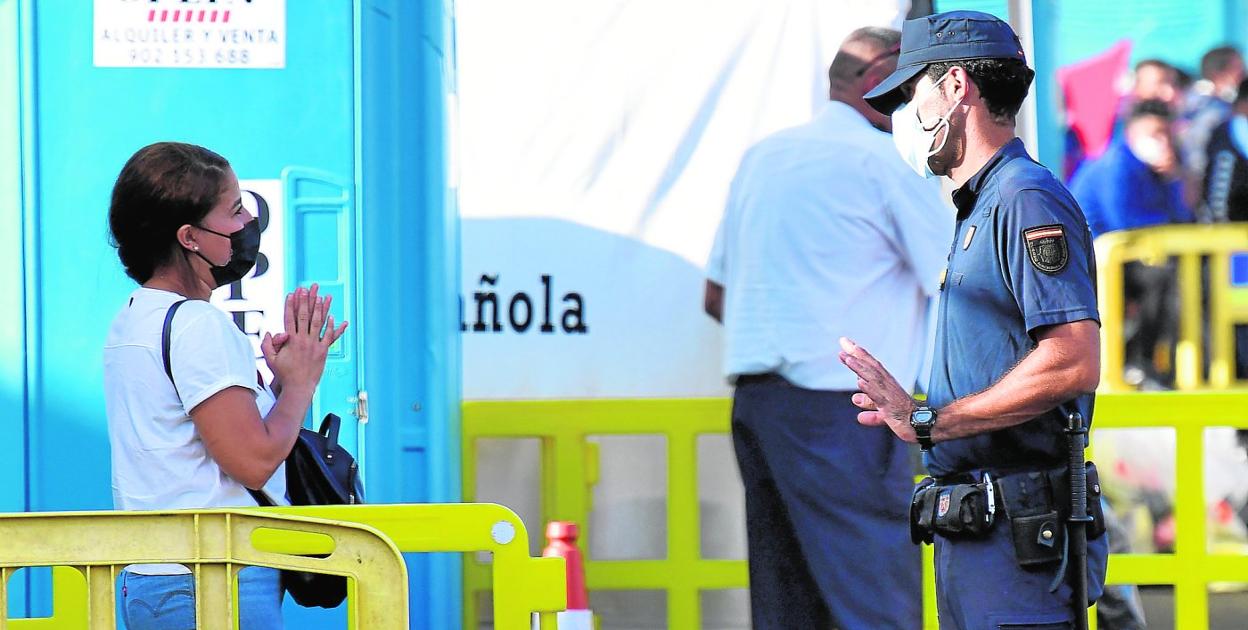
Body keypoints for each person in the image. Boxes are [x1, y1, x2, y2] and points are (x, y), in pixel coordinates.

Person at [845, 10, 1109, 628]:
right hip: (982, 537)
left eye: (911, 93)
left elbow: (1073, 360)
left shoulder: (1024, 198)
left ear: (956, 86)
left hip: (1016, 544)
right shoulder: (985, 202)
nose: (903, 115)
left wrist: (930, 421)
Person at [704, 26, 952, 630]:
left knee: (787, 601)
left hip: (759, 402)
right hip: (848, 410)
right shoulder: (885, 161)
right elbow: (954, 281)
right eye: (920, 87)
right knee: (874, 599)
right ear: (881, 80)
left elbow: (716, 296)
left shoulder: (764, 158)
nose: (927, 106)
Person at [104, 142, 348, 629]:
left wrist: (278, 386)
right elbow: (253, 462)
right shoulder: (197, 324)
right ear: (190, 237)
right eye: (236, 210)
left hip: (153, 577)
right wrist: (301, 384)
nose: (249, 222)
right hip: (213, 582)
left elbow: (192, 447)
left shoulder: (133, 318)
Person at [1071, 99, 1192, 388]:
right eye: (1155, 134)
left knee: (1184, 277)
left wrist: (1174, 179)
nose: (1163, 142)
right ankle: (1138, 362)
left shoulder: (1159, 169)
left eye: (1167, 133)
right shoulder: (1115, 165)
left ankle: (1157, 364)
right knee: (1161, 280)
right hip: (1091, 264)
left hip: (1132, 260)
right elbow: (1125, 221)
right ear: (1133, 132)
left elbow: (1184, 219)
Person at [1180, 46, 1245, 194]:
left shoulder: (1225, 106)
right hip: (1214, 187)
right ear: (1219, 75)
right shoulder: (1211, 111)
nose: (1244, 76)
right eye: (1239, 70)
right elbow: (1196, 157)